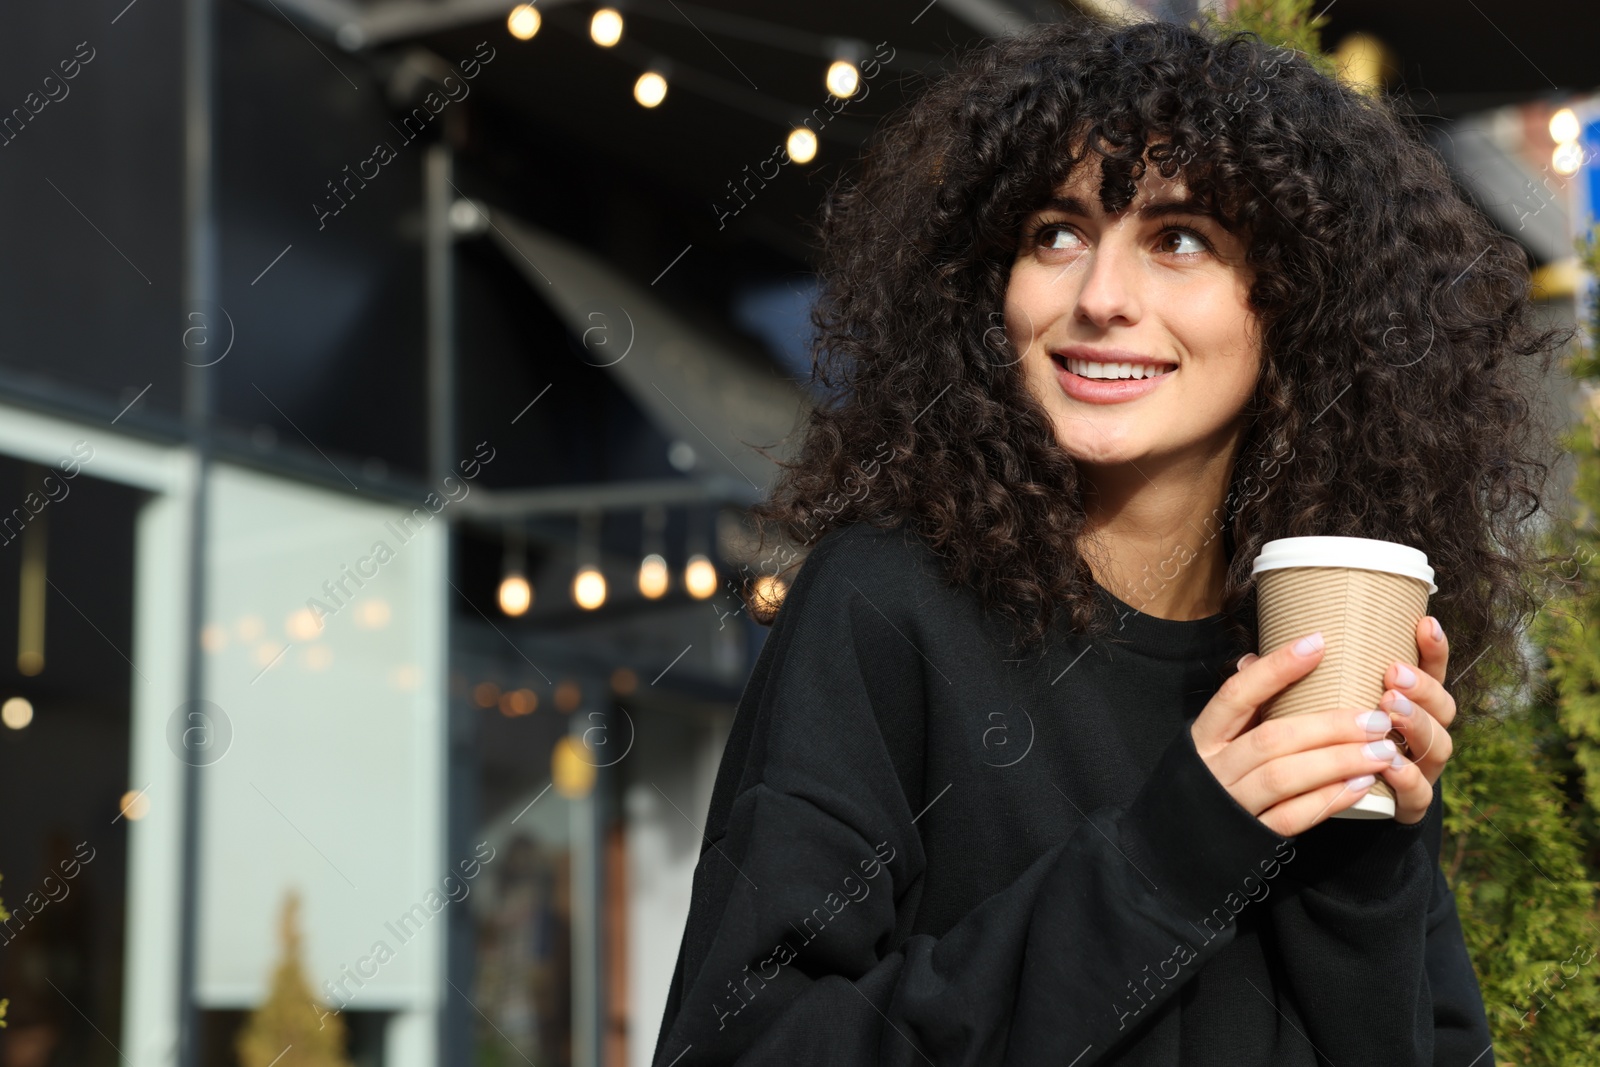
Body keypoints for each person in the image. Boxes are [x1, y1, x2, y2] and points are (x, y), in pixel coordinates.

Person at [652, 14, 1571, 1066]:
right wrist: (1167, 857)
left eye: (1179, 239)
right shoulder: (887, 601)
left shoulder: (1317, 651)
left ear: (1299, 307)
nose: (1099, 297)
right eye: (1056, 232)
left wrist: (1368, 868)